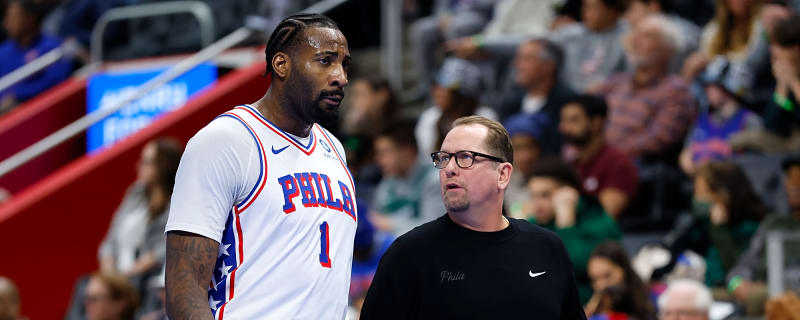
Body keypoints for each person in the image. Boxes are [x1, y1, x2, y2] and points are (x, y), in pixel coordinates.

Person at [165, 13, 357, 319]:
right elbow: (183, 290)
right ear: (281, 65)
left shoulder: (334, 149)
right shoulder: (226, 141)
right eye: (325, 61)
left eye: (344, 65)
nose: (340, 77)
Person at [361, 116, 586, 319]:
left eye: (465, 157)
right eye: (444, 158)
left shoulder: (547, 248)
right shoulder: (408, 254)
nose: (449, 168)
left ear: (503, 174)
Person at [591, 14, 695, 161]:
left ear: (668, 50)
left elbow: (657, 139)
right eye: (635, 34)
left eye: (647, 37)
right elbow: (585, 120)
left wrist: (603, 154)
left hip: (633, 167)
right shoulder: (614, 83)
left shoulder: (676, 91)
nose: (635, 41)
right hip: (594, 160)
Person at [526, 157, 623, 304]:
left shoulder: (598, 221)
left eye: (545, 195)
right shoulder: (533, 225)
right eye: (533, 196)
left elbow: (578, 267)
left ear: (568, 192)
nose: (537, 205)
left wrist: (565, 224)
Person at [725, 153, 800, 315]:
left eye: (799, 177)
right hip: (764, 303)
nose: (793, 184)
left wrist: (772, 288)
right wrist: (737, 283)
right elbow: (738, 271)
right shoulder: (772, 223)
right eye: (789, 177)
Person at [99, 138, 181, 283]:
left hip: (147, 276)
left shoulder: (177, 201)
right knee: (87, 286)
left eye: (146, 162)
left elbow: (168, 247)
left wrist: (131, 272)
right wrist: (109, 273)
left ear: (163, 166)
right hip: (118, 274)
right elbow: (110, 240)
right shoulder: (135, 193)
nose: (138, 166)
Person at [680, 161, 765, 287]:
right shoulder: (699, 224)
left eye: (703, 194)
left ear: (723, 194)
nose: (697, 201)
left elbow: (734, 273)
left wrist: (719, 229)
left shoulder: (751, 228)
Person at [560, 94, 639, 219]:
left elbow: (606, 216)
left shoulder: (618, 163)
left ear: (596, 122)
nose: (564, 128)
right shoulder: (569, 162)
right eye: (563, 120)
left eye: (574, 120)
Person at [679, 58, 762, 175]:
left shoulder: (749, 121)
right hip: (701, 184)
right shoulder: (702, 120)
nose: (707, 89)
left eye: (713, 85)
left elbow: (757, 163)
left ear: (729, 87)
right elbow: (686, 156)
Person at [370, 121, 445, 236]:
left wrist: (389, 224)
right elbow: (375, 220)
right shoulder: (388, 181)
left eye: (385, 152)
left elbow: (433, 228)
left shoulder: (434, 179)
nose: (378, 160)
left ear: (408, 151)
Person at [415, 57, 498, 158]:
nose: (436, 92)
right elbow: (427, 159)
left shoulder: (485, 117)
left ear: (460, 95)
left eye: (443, 88)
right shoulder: (430, 117)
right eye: (436, 87)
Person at [0, 0, 71, 114]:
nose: (6, 24)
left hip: (43, 113)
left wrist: (18, 96)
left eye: (13, 17)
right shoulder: (2, 53)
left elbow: (57, 81)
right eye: (6, 17)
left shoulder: (53, 47)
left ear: (29, 19)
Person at [551, 0, 629, 92]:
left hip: (603, 98)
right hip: (563, 95)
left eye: (593, 8)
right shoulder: (570, 34)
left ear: (612, 12)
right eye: (585, 6)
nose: (585, 11)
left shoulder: (628, 38)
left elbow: (629, 77)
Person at [497, 38, 575, 128]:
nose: (516, 64)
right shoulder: (511, 101)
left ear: (548, 66)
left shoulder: (568, 104)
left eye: (526, 59)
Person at [585, 242, 655, 320]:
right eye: (594, 280)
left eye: (607, 276)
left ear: (624, 269)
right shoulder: (594, 313)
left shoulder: (653, 300)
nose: (601, 286)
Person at [503, 112, 553, 219]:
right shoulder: (503, 182)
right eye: (518, 148)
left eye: (530, 147)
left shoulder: (554, 179)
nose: (525, 156)